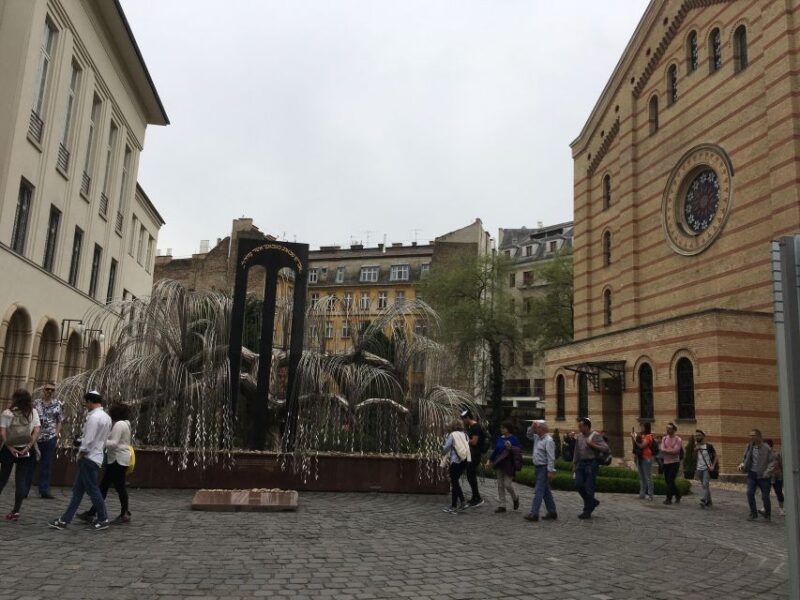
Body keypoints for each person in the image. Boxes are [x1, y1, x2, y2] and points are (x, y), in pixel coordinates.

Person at [48, 390, 113, 531]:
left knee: (93, 490)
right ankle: (64, 520)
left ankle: (103, 518)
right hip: (97, 456)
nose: (85, 405)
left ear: (90, 401)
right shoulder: (106, 417)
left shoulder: (94, 418)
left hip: (89, 457)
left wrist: (81, 449)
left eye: (86, 402)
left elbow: (89, 439)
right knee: (78, 491)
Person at [80, 403, 132, 524]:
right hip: (119, 459)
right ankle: (94, 512)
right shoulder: (125, 424)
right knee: (109, 486)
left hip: (117, 459)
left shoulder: (119, 424)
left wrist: (100, 440)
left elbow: (113, 443)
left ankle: (123, 513)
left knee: (112, 486)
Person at [0, 389, 41, 520]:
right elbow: (36, 430)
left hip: (9, 449)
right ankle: (16, 511)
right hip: (26, 449)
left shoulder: (7, 412)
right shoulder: (33, 412)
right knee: (21, 480)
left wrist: (10, 447)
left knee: (3, 478)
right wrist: (28, 446)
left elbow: (3, 433)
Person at [24, 382, 63, 499]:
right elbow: (29, 419)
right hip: (35, 438)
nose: (50, 392)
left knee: (47, 464)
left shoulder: (58, 404)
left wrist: (56, 435)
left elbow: (59, 421)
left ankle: (44, 490)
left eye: (52, 390)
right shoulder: (36, 404)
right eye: (48, 389)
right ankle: (24, 490)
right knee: (30, 464)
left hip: (50, 438)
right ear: (43, 390)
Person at [572, 417, 609, 519]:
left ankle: (587, 511)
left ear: (587, 426)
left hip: (591, 463)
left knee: (589, 487)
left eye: (581, 426)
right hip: (581, 464)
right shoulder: (579, 437)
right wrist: (574, 464)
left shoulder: (595, 435)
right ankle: (592, 502)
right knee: (578, 484)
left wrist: (592, 444)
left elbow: (606, 448)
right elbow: (576, 452)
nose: (579, 428)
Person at [738, 429, 774, 521]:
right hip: (752, 474)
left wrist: (767, 472)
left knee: (765, 496)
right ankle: (753, 513)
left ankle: (767, 514)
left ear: (759, 436)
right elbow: (745, 458)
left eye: (753, 435)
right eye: (750, 435)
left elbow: (772, 462)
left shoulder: (766, 448)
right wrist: (742, 465)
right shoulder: (749, 446)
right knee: (749, 493)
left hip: (763, 476)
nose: (751, 437)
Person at [525, 420, 557, 522]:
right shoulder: (537, 438)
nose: (535, 430)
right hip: (538, 468)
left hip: (544, 467)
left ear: (542, 428)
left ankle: (534, 513)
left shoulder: (548, 440)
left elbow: (551, 457)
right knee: (546, 492)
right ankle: (552, 512)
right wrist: (532, 426)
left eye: (537, 427)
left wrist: (550, 471)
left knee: (538, 491)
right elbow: (528, 435)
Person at [487, 419, 521, 513]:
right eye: (501, 427)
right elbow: (496, 451)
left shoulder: (514, 439)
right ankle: (502, 505)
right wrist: (490, 460)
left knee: (507, 485)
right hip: (499, 463)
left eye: (503, 428)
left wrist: (511, 447)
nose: (501, 429)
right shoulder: (499, 438)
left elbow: (518, 451)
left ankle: (515, 498)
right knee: (500, 485)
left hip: (509, 465)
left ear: (508, 429)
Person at [441, 419, 471, 514]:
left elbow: (446, 448)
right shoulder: (465, 435)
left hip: (455, 461)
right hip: (465, 460)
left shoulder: (452, 435)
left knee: (454, 483)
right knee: (455, 482)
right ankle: (458, 503)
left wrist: (442, 449)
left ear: (452, 426)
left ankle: (458, 504)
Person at [460, 410, 486, 508]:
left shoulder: (475, 427)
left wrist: (464, 440)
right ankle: (475, 497)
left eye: (463, 419)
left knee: (471, 475)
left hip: (475, 454)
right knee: (470, 475)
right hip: (472, 454)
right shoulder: (472, 426)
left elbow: (474, 442)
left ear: (467, 418)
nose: (462, 421)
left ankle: (477, 497)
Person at [693, 430, 718, 509]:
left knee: (705, 484)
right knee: (705, 486)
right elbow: (693, 457)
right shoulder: (696, 446)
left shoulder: (708, 446)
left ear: (703, 436)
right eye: (696, 435)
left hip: (707, 468)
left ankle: (703, 500)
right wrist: (695, 450)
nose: (697, 437)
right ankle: (709, 501)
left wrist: (713, 466)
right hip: (699, 468)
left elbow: (716, 456)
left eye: (699, 435)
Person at [660, 422, 683, 505]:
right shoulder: (664, 438)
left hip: (675, 462)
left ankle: (668, 499)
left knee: (670, 479)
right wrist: (669, 450)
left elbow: (675, 451)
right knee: (667, 480)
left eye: (669, 428)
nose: (667, 430)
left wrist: (667, 450)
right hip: (666, 462)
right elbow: (662, 448)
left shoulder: (678, 439)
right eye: (667, 428)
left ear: (674, 430)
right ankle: (678, 494)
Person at [630, 422, 654, 501]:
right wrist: (633, 438)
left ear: (646, 427)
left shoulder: (648, 436)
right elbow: (635, 445)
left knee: (648, 477)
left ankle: (650, 495)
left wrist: (634, 438)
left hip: (646, 458)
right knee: (641, 477)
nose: (641, 428)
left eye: (642, 426)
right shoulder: (641, 436)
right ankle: (642, 494)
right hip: (639, 457)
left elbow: (642, 446)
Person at [764, 439, 784, 517]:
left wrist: (782, 474)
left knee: (779, 492)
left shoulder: (776, 454)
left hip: (777, 476)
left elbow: (781, 465)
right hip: (767, 477)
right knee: (765, 493)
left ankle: (781, 509)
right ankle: (765, 507)